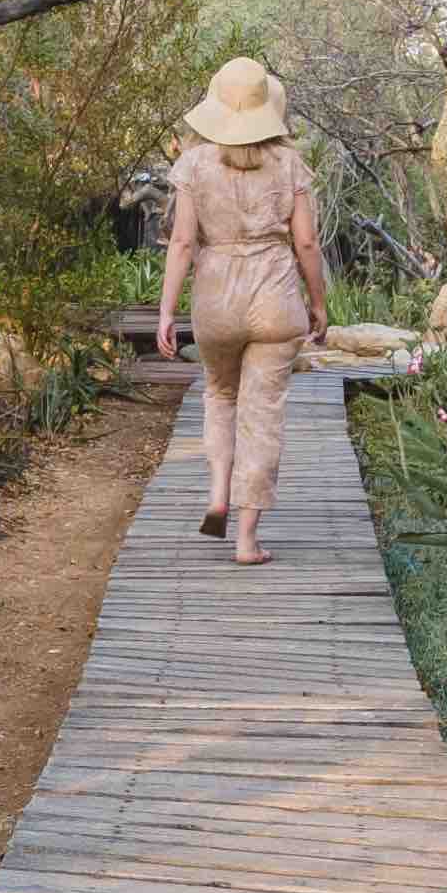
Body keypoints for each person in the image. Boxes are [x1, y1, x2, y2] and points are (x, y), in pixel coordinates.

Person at [154, 56, 329, 565]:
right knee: (263, 414)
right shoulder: (291, 165)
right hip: (274, 297)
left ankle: (217, 494)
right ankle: (248, 540)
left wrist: (167, 311)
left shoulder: (193, 165)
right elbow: (308, 243)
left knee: (220, 395)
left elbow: (183, 242)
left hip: (216, 300)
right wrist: (318, 303)